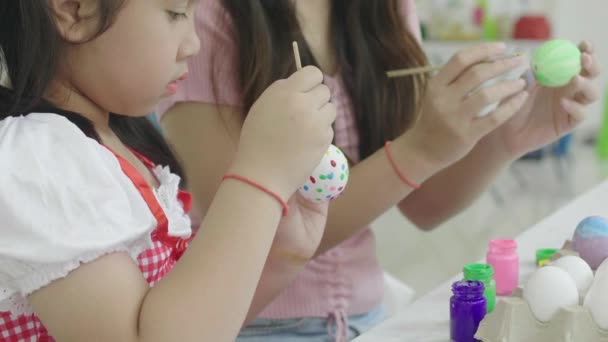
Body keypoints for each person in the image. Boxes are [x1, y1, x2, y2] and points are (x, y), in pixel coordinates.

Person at [158, 0, 601, 341]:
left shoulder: (385, 8)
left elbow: (422, 205)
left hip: (371, 320)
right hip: (250, 327)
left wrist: (507, 139)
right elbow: (252, 239)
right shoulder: (205, 17)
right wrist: (418, 150)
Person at [0, 0, 337, 340]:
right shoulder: (41, 159)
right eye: (176, 12)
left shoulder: (111, 145)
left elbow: (200, 324)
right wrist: (261, 175)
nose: (194, 43)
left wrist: (284, 253)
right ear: (73, 10)